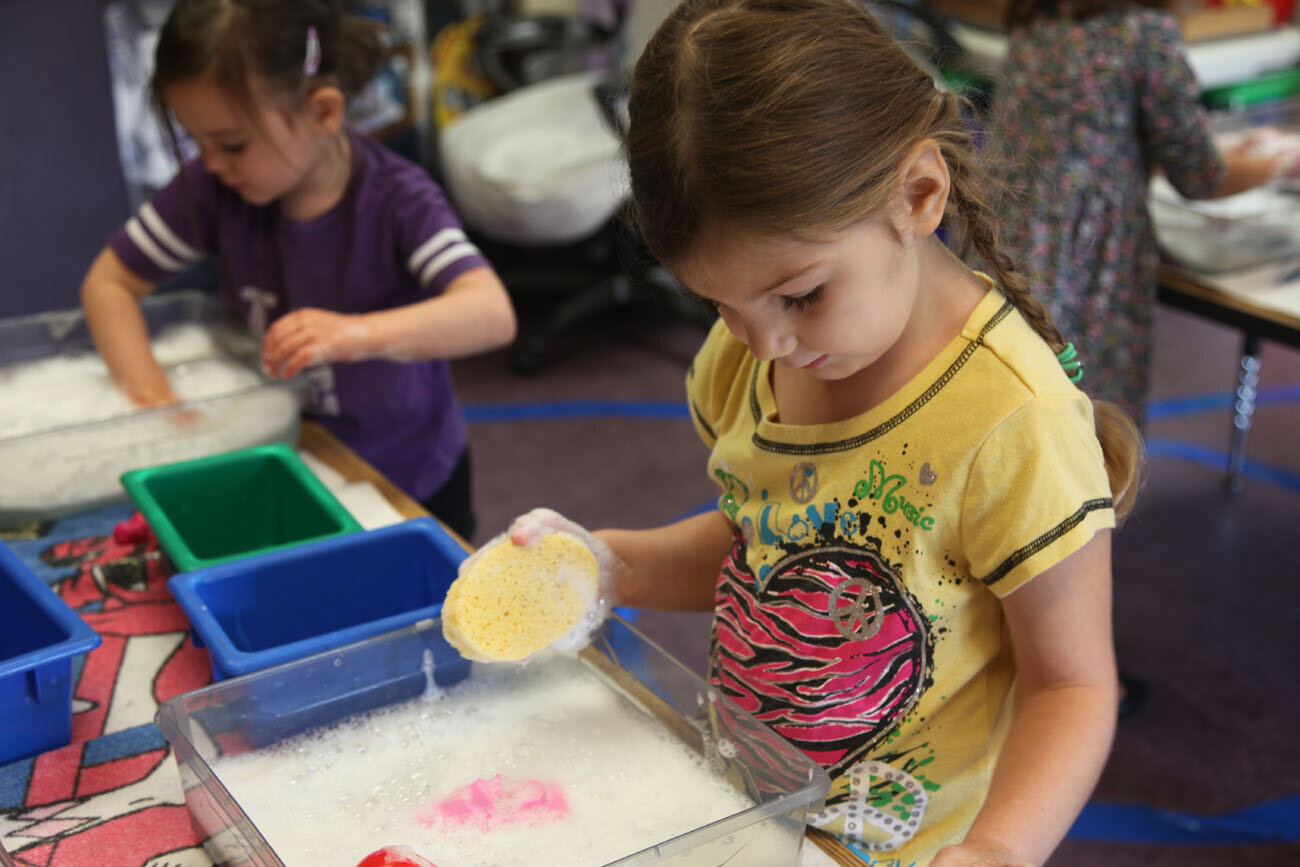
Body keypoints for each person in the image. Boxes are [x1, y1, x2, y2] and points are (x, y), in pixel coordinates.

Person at [485, 0, 1148, 863]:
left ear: (917, 195)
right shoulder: (751, 351)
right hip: (749, 807)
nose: (764, 342)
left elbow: (1072, 683)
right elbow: (759, 543)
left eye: (800, 295)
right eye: (719, 301)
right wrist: (617, 563)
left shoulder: (1014, 421)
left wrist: (999, 849)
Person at [80, 0, 516, 542]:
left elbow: (491, 313)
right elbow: (110, 283)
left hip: (406, 476)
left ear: (324, 112)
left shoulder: (398, 201)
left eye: (232, 144)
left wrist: (356, 334)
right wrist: (154, 396)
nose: (212, 162)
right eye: (198, 142)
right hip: (284, 459)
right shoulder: (216, 189)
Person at [990, 0, 1300, 426]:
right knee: (1088, 414)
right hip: (1085, 260)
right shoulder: (1145, 35)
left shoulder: (1044, 14)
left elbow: (1102, 136)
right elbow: (1200, 176)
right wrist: (1283, 162)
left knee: (1017, 400)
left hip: (1010, 239)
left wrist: (1236, 153)